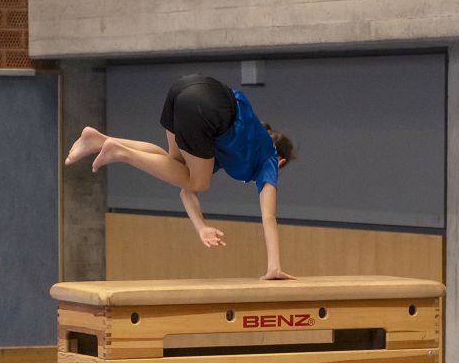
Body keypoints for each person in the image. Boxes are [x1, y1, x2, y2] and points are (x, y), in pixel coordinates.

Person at [65, 74, 296, 280]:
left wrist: (201, 227)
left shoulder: (230, 147)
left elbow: (186, 190)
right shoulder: (269, 158)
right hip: (212, 108)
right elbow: (269, 216)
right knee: (199, 182)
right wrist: (274, 267)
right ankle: (121, 153)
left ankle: (100, 140)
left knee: (175, 166)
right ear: (281, 161)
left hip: (188, 87)